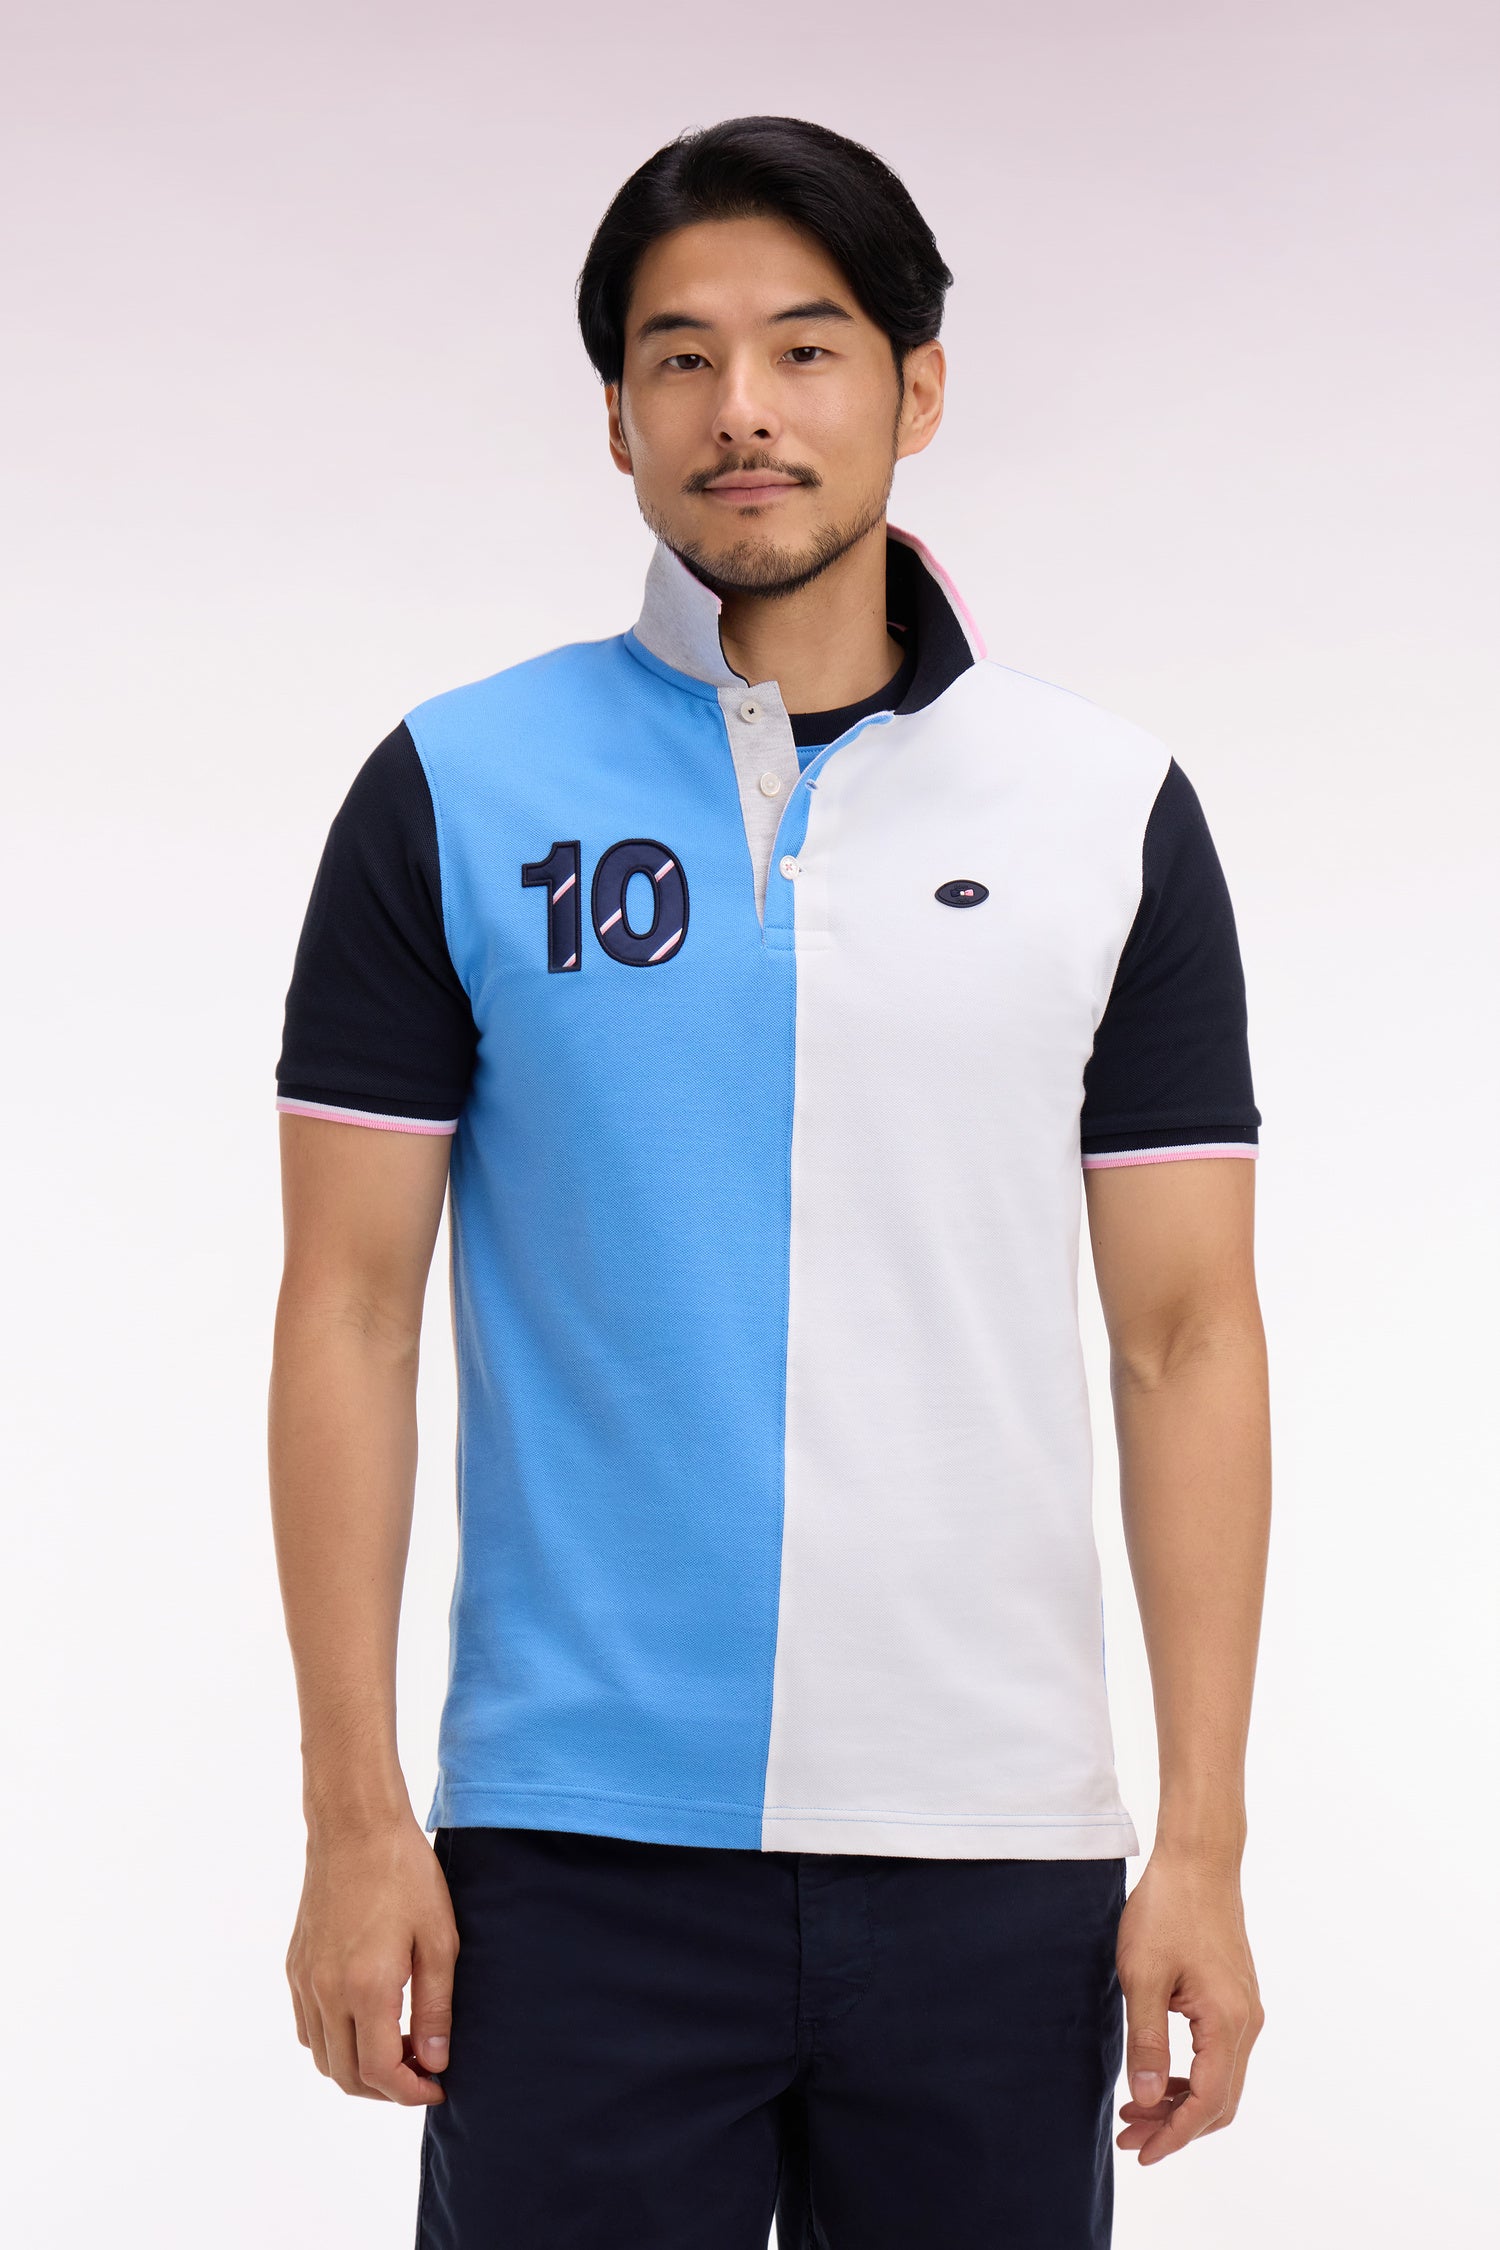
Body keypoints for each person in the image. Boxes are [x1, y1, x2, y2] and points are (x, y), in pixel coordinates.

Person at [269, 113, 1270, 2250]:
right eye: (682, 356)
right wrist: (357, 1816)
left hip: (999, 1848)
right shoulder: (454, 787)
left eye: (808, 349)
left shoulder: (1108, 808)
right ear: (616, 413)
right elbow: (344, 1309)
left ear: (919, 387)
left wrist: (1201, 1840)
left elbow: (1188, 1339)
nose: (745, 409)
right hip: (571, 1852)